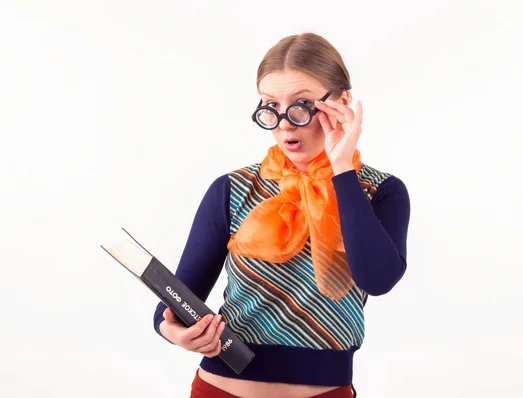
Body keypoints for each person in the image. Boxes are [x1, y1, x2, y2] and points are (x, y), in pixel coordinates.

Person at [153, 32, 411, 398]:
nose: (284, 122)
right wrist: (176, 333)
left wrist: (342, 172)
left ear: (342, 103)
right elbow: (174, 301)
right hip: (219, 389)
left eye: (302, 104)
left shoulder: (379, 191)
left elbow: (378, 279)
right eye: (270, 105)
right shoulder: (233, 189)